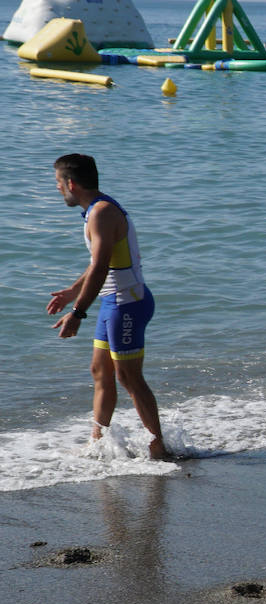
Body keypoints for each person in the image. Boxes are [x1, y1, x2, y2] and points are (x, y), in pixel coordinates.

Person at [46, 154, 169, 461]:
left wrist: (77, 313)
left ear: (71, 184)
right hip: (114, 302)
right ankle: (98, 444)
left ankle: (158, 448)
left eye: (58, 184)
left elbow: (101, 267)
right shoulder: (95, 210)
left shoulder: (101, 213)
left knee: (129, 378)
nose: (58, 190)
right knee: (100, 371)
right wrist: (73, 292)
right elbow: (101, 263)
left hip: (126, 304)